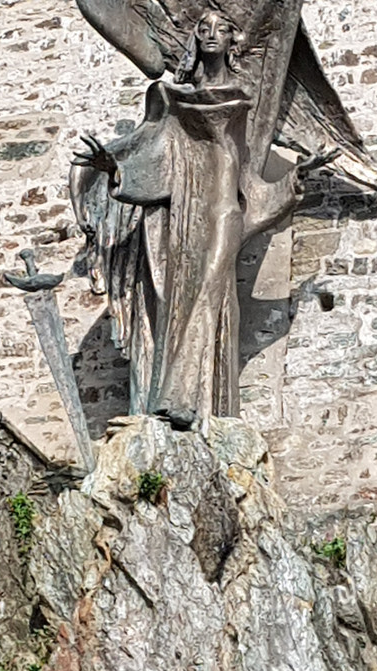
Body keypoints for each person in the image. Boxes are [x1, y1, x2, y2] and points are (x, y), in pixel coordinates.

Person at [72, 9, 336, 429]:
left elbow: (246, 177)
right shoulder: (169, 100)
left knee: (210, 292)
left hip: (226, 214)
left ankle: (184, 400)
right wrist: (113, 169)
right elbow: (156, 157)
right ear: (195, 37)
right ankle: (171, 402)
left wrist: (295, 179)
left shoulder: (240, 102)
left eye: (221, 28)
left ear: (235, 43)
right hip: (181, 214)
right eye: (203, 27)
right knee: (173, 303)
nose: (211, 34)